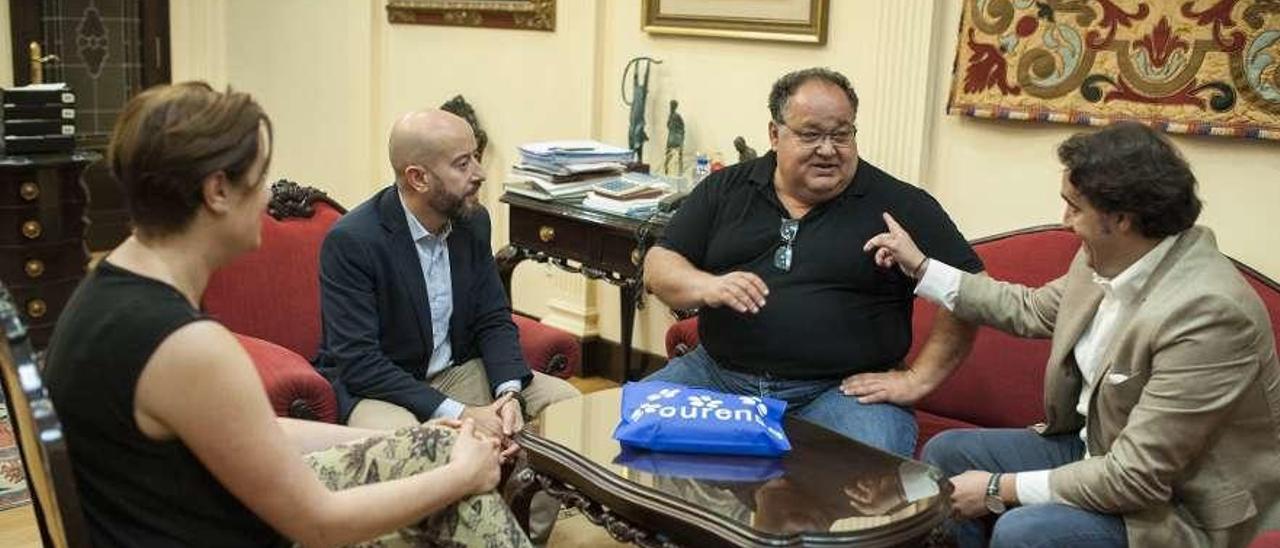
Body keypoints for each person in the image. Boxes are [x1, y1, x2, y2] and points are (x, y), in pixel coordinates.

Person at [43, 82, 529, 547]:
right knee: (462, 494)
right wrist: (461, 474)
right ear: (217, 191)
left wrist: (411, 439)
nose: (269, 194)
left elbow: (257, 430)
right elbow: (320, 524)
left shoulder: (111, 291)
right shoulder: (185, 346)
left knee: (434, 452)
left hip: (184, 517)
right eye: (259, 178)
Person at [864, 121, 1280, 547]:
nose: (1065, 222)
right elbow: (1028, 309)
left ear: (1121, 219)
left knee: (1025, 532)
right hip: (1095, 452)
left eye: (1074, 207)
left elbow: (1136, 477)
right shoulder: (1105, 258)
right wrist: (920, 266)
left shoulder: (1207, 314)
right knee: (948, 454)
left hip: (1175, 506)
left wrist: (996, 488)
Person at [642, 67, 984, 457]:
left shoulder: (899, 203)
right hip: (717, 376)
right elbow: (659, 264)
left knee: (857, 477)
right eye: (810, 134)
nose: (828, 149)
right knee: (635, 435)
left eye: (841, 134)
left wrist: (919, 379)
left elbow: (971, 289)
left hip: (842, 393)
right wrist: (708, 286)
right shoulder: (726, 189)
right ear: (775, 134)